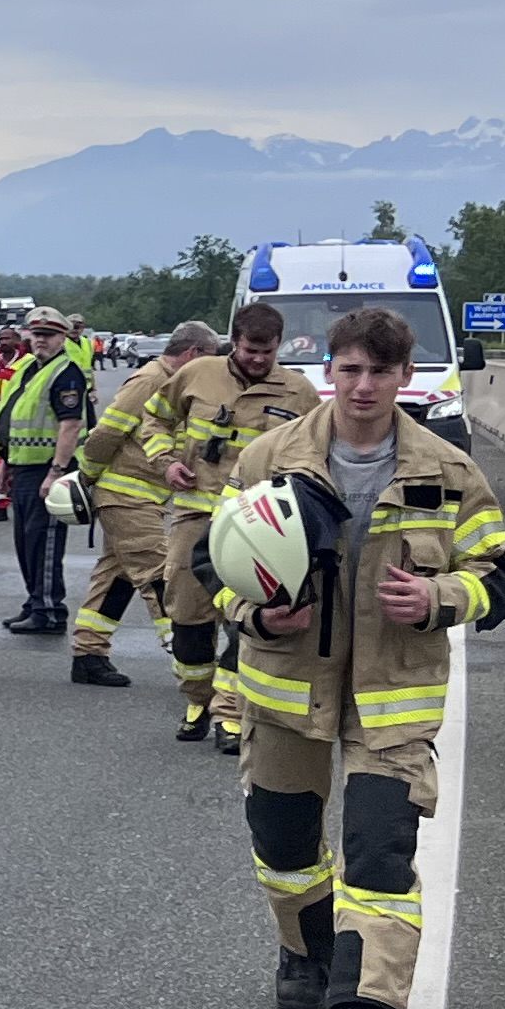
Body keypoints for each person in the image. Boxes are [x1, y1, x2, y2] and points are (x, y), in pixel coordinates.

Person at [219, 307, 505, 1009]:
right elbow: (207, 569)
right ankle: (305, 952)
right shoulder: (266, 458)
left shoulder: (448, 470)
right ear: (330, 370)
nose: (363, 386)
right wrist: (258, 610)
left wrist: (440, 599)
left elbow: (504, 575)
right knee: (285, 849)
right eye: (350, 369)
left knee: (380, 853)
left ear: (404, 378)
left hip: (394, 698)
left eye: (380, 372)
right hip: (284, 688)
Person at [145, 300, 321, 748]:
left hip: (259, 526)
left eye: (267, 352)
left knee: (247, 616)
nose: (259, 360)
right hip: (195, 515)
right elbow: (153, 418)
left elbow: (316, 454)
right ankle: (197, 700)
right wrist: (165, 461)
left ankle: (230, 713)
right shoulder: (197, 374)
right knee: (185, 610)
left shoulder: (299, 393)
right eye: (249, 351)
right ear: (233, 343)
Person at [66, 320, 216, 688]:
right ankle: (190, 664)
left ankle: (88, 654)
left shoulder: (174, 383)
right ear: (192, 354)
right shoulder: (151, 381)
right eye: (208, 360)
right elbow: (107, 433)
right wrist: (87, 475)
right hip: (126, 497)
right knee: (163, 578)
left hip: (145, 498)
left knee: (115, 577)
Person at [0, 308, 97, 634]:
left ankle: (50, 612)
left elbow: (70, 425)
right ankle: (34, 601)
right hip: (24, 466)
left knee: (45, 544)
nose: (41, 339)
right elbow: (14, 418)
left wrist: (56, 472)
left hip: (49, 469)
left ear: (63, 337)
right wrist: (6, 464)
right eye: (36, 334)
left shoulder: (66, 373)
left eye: (49, 334)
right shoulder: (29, 367)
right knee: (26, 543)